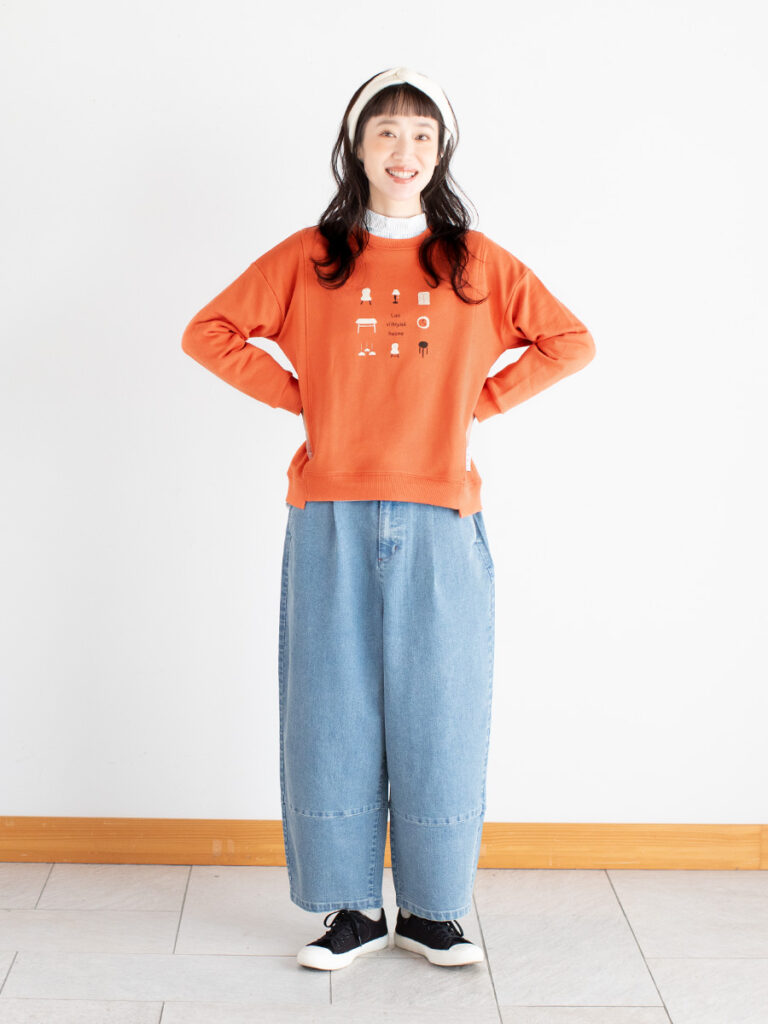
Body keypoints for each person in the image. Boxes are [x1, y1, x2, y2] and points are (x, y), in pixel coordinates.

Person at [181, 66, 596, 972]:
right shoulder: (311, 257)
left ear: (439, 153)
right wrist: (299, 395)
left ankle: (434, 912)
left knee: (441, 708)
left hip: (442, 515)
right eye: (386, 133)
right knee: (330, 708)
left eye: (421, 135)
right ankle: (350, 909)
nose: (404, 150)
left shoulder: (475, 262)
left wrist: (482, 402)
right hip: (328, 512)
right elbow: (208, 332)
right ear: (358, 148)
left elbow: (570, 340)